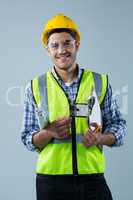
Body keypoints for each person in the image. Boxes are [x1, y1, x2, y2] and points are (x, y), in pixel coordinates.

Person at [21, 13, 126, 200]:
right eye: (55, 45)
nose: (62, 50)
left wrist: (100, 138)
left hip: (92, 178)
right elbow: (27, 138)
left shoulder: (99, 82)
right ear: (48, 49)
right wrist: (49, 133)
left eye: (67, 43)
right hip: (50, 182)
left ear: (77, 44)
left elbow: (119, 126)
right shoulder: (36, 87)